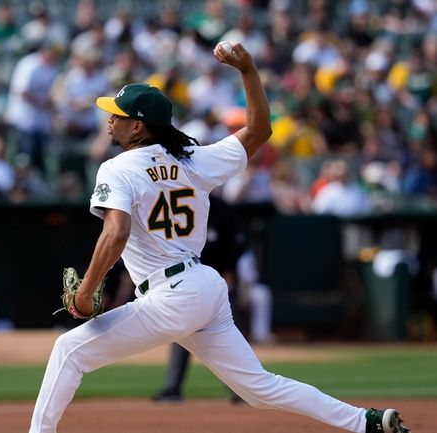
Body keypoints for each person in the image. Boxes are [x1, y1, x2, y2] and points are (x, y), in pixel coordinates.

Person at [28, 43, 409, 433]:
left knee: (67, 350)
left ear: (138, 125)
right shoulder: (193, 158)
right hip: (204, 287)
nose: (110, 120)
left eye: (118, 115)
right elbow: (261, 130)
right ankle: (367, 422)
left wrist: (88, 291)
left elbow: (116, 231)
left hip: (171, 293)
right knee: (259, 388)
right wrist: (248, 69)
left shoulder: (118, 167)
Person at [151, 194, 245, 403]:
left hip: (219, 279)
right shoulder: (181, 200)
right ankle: (173, 387)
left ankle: (240, 389)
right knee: (182, 333)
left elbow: (237, 244)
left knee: (227, 337)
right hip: (188, 280)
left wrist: (229, 271)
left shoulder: (222, 208)